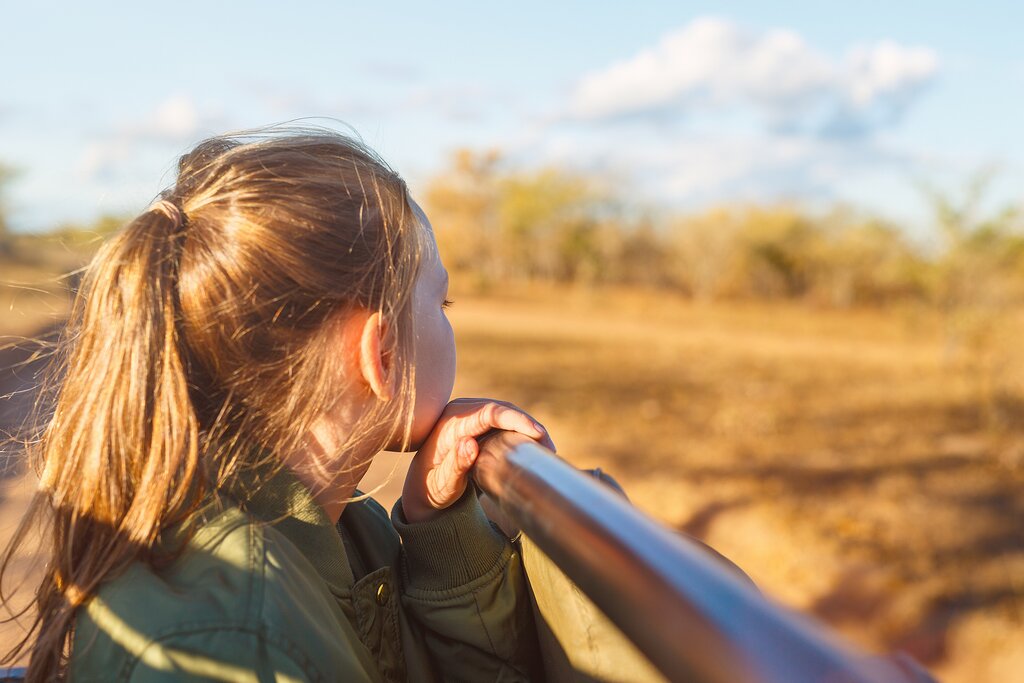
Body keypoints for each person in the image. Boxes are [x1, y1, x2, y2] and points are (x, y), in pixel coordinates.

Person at [0, 127, 555, 682]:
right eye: (443, 301)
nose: (449, 320)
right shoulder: (234, 642)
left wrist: (442, 532)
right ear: (380, 354)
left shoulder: (343, 530)